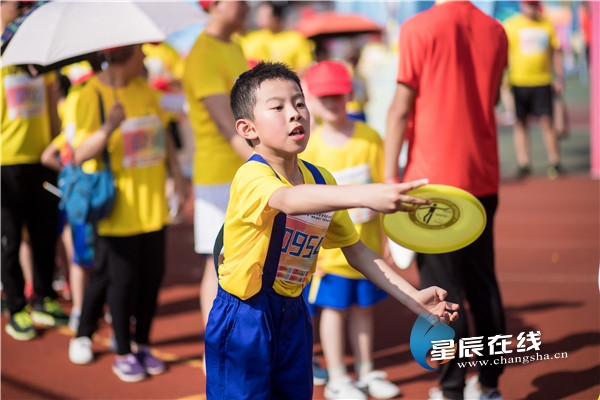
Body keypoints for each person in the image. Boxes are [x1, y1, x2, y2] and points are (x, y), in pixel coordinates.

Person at [204, 61, 460, 400]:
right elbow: (289, 200)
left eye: (298, 102)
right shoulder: (252, 177)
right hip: (244, 316)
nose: (294, 114)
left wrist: (413, 298)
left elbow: (357, 251)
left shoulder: (321, 177)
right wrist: (365, 194)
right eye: (277, 107)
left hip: (294, 314)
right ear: (247, 128)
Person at [384, 2, 508, 400]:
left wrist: (389, 177)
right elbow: (488, 98)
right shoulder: (496, 30)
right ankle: (488, 385)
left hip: (432, 182)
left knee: (442, 290)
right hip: (482, 175)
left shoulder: (418, 28)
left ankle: (451, 387)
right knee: (483, 283)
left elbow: (401, 108)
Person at [66, 44, 187, 382]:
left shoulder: (143, 89)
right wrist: (109, 127)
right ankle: (121, 351)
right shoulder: (89, 94)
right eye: (140, 53)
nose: (146, 59)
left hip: (152, 206)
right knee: (119, 281)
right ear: (123, 54)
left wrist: (176, 175)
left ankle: (142, 344)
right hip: (117, 207)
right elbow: (77, 154)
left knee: (151, 278)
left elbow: (160, 133)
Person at [301, 60, 400, 400]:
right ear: (311, 99)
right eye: (324, 96)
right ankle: (338, 377)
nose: (332, 103)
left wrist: (388, 241)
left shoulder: (369, 138)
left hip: (365, 248)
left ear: (350, 95)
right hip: (328, 254)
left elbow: (384, 191)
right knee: (333, 311)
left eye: (338, 95)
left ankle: (366, 369)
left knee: (363, 310)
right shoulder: (309, 147)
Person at [181, 0, 253, 350]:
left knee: (251, 258)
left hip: (245, 170)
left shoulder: (234, 46)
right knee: (219, 262)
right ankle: (218, 347)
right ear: (215, 5)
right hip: (218, 177)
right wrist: (266, 166)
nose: (246, 7)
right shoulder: (202, 54)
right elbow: (227, 126)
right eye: (239, 1)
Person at [1, 0, 69, 341]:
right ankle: (16, 308)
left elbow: (54, 117)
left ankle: (44, 298)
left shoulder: (40, 64)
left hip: (41, 162)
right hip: (5, 164)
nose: (26, 9)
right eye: (19, 4)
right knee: (10, 239)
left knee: (44, 233)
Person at [503, 0, 564, 179]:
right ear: (522, 5)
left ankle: (555, 162)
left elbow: (555, 52)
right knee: (520, 123)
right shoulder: (512, 25)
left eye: (534, 4)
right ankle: (524, 164)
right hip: (518, 82)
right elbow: (505, 53)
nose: (531, 7)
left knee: (547, 122)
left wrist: (559, 77)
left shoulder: (546, 24)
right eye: (528, 4)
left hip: (542, 82)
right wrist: (504, 81)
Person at [239, 1, 314, 74]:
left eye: (264, 16)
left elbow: (305, 66)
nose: (259, 20)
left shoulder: (296, 38)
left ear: (277, 18)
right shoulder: (253, 38)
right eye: (259, 16)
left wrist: (285, 79)